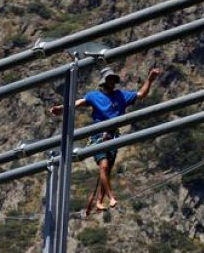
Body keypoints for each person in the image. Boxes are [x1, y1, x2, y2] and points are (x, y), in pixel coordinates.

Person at [49, 66, 162, 216]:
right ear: (104, 82)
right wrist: (62, 108)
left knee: (106, 170)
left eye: (113, 80)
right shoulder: (94, 96)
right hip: (98, 136)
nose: (112, 82)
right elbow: (77, 103)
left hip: (113, 136)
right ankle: (111, 197)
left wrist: (150, 79)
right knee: (103, 166)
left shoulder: (121, 96)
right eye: (109, 79)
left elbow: (141, 94)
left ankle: (99, 201)